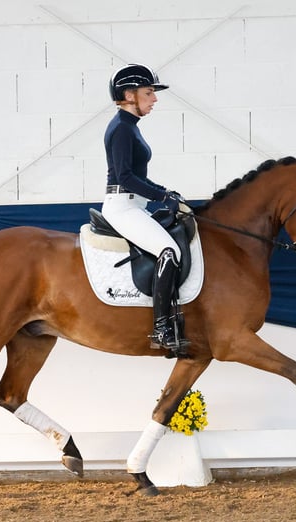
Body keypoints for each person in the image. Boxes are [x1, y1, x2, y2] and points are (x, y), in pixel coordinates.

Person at [102, 63, 187, 354]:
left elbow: (135, 176)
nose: (154, 99)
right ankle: (161, 329)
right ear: (129, 94)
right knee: (169, 251)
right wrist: (161, 197)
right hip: (122, 208)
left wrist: (164, 191)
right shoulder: (122, 129)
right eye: (149, 93)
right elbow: (125, 177)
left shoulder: (129, 127)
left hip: (133, 205)